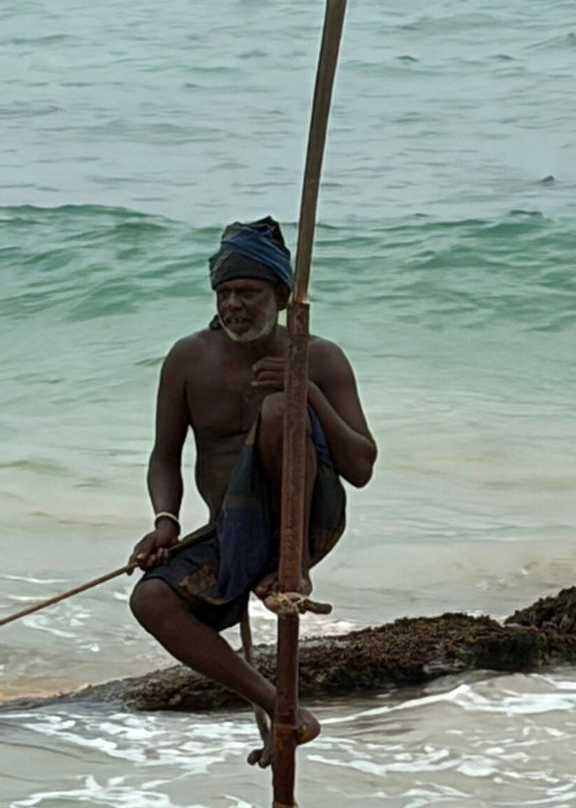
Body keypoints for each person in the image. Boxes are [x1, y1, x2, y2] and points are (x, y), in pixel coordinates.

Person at [127, 216, 376, 767]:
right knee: (151, 598)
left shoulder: (321, 356)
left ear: (282, 296)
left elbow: (360, 466)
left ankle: (294, 568)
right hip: (232, 531)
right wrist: (165, 520)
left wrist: (305, 389)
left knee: (278, 409)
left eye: (248, 292)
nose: (233, 304)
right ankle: (283, 710)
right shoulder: (189, 359)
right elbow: (164, 456)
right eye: (224, 293)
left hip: (309, 520)